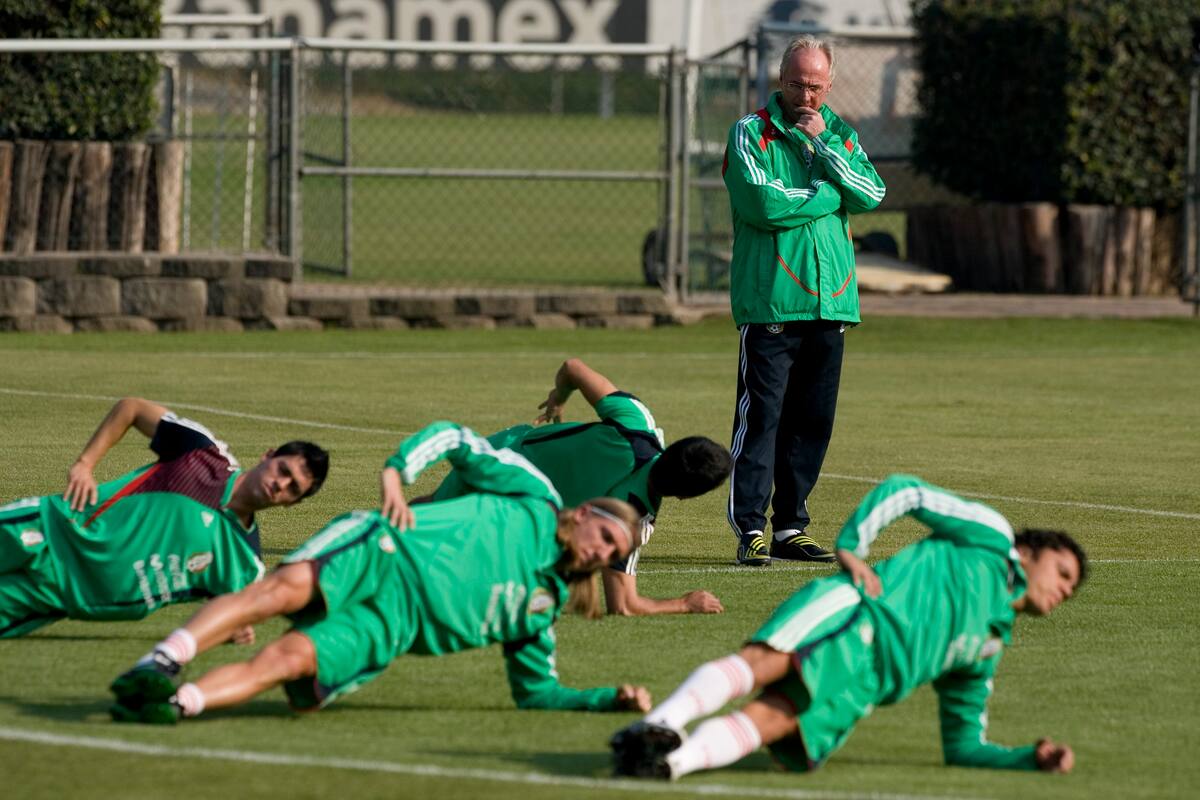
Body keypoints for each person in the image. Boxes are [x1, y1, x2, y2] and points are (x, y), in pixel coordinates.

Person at [109, 421, 652, 724]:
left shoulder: (543, 605)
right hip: (381, 550)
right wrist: (397, 471)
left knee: (289, 660)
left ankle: (177, 705)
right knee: (284, 589)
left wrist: (605, 699)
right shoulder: (535, 496)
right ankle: (163, 661)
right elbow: (457, 439)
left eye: (612, 555)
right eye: (606, 538)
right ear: (585, 513)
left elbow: (536, 693)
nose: (601, 555)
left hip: (390, 626)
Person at [611, 474, 1086, 779]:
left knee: (776, 719)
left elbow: (963, 746)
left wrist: (1028, 758)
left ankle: (667, 766)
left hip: (862, 686)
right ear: (1029, 553)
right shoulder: (993, 537)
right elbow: (908, 491)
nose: (1064, 589)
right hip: (857, 617)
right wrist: (853, 546)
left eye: (1072, 589)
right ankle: (659, 723)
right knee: (761, 665)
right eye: (1062, 573)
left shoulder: (989, 645)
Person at [723, 35, 886, 566]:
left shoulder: (839, 134)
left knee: (813, 422)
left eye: (815, 86)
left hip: (831, 304)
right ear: (780, 79)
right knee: (762, 420)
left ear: (829, 84)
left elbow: (873, 193)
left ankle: (792, 526)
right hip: (773, 302)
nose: (806, 95)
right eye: (796, 84)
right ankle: (751, 528)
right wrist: (826, 193)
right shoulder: (751, 134)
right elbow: (762, 202)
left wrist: (826, 150)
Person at [0, 397, 328, 638]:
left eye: (292, 489)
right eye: (282, 470)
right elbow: (131, 408)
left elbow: (230, 615)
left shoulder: (244, 564)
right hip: (50, 529)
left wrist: (235, 629)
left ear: (292, 504)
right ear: (268, 456)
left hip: (60, 594)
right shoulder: (204, 453)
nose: (280, 485)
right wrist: (85, 464)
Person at [430, 358, 731, 617]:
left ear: (675, 446)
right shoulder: (634, 518)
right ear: (685, 495)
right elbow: (623, 605)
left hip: (502, 455)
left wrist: (558, 398)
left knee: (430, 514)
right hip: (518, 515)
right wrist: (684, 603)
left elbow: (572, 368)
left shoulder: (637, 422)